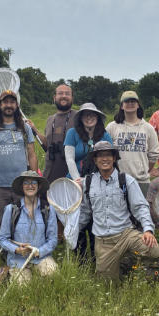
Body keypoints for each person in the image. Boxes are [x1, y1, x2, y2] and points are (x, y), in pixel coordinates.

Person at [78, 141, 159, 279]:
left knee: (154, 249)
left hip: (126, 234)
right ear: (95, 160)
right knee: (108, 285)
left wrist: (147, 229)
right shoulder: (87, 183)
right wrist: (70, 231)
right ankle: (125, 265)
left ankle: (151, 274)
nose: (104, 159)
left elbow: (140, 207)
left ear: (114, 158)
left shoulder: (126, 180)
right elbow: (85, 213)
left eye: (108, 155)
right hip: (103, 241)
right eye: (100, 156)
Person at [0, 90, 38, 248]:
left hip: (21, 186)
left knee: (23, 223)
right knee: (0, 224)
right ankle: (4, 258)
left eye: (12, 102)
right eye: (5, 102)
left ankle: (23, 255)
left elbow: (32, 155)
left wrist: (34, 182)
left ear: (17, 105)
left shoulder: (24, 128)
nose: (9, 105)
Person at [25, 84, 77, 240]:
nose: (64, 96)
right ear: (54, 97)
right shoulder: (50, 120)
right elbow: (47, 146)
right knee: (50, 211)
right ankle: (54, 243)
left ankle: (68, 245)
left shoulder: (78, 116)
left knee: (68, 210)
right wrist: (34, 130)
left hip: (69, 173)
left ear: (72, 98)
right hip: (50, 172)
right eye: (60, 93)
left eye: (67, 93)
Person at [63, 103, 112, 260]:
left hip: (98, 183)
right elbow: (69, 158)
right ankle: (80, 259)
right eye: (85, 115)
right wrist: (78, 180)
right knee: (77, 220)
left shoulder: (104, 135)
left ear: (97, 117)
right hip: (75, 184)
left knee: (95, 220)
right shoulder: (73, 133)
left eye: (92, 115)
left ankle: (97, 258)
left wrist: (93, 181)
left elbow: (109, 160)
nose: (89, 118)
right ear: (81, 118)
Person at [0, 171, 58, 284]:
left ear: (39, 186)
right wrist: (16, 249)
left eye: (34, 182)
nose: (30, 186)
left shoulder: (48, 209)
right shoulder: (11, 209)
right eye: (26, 183)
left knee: (52, 274)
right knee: (22, 289)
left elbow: (53, 240)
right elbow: (2, 239)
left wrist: (39, 252)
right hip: (18, 260)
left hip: (41, 258)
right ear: (22, 187)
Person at [106, 91, 159, 197]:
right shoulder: (112, 127)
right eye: (126, 101)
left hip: (142, 182)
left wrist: (143, 170)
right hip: (117, 180)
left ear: (138, 104)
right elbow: (105, 152)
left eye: (133, 101)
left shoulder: (148, 128)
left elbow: (154, 154)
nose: (130, 104)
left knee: (141, 212)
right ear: (122, 106)